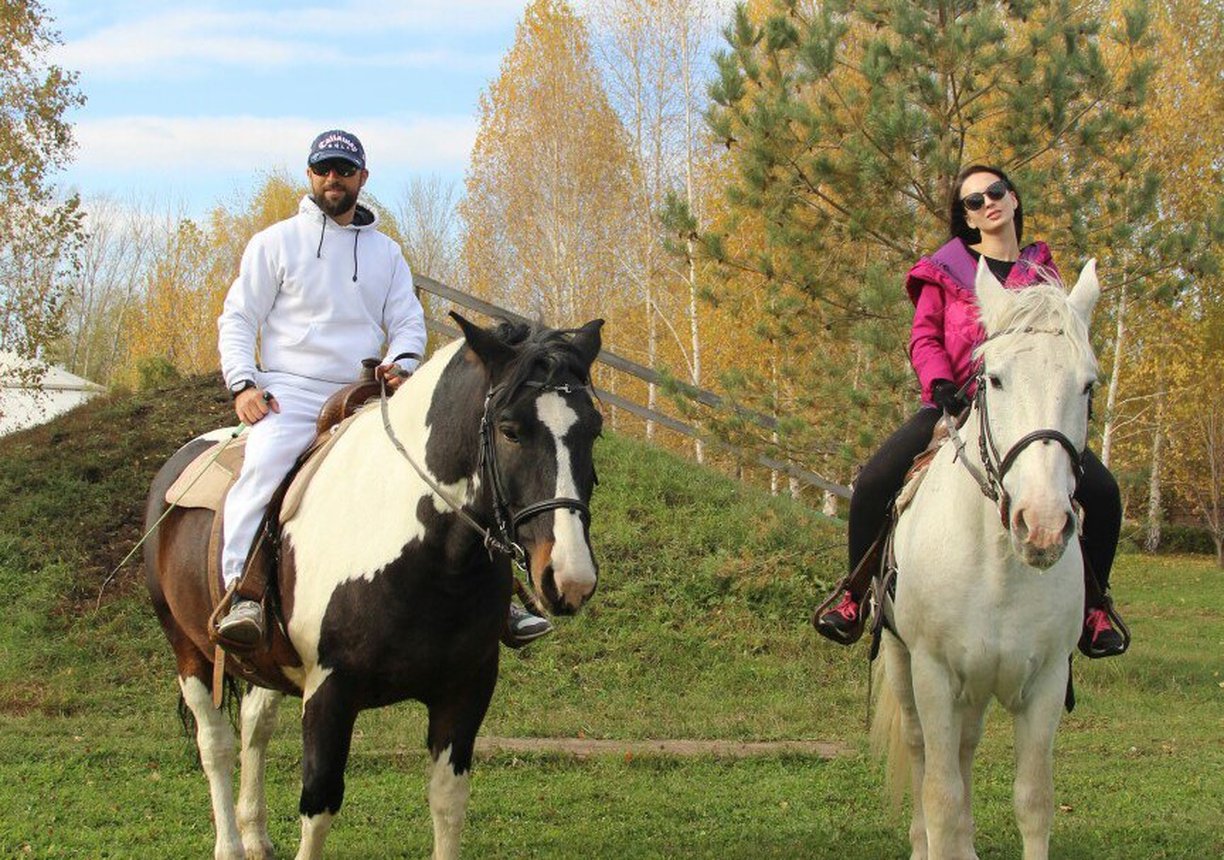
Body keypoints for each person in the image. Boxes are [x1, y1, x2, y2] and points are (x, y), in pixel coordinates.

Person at [215, 129, 552, 649]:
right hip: (291, 391)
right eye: (324, 168)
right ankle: (246, 594)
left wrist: (402, 362)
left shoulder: (386, 253)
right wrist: (243, 383)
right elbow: (238, 318)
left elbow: (407, 320)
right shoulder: (275, 243)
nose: (334, 178)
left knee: (451, 469)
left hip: (367, 393)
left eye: (345, 170)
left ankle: (500, 602)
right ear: (309, 175)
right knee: (264, 465)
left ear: (362, 179)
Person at [814, 164, 1126, 658]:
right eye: (974, 201)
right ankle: (854, 595)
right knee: (874, 480)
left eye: (996, 192)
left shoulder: (1043, 274)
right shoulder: (946, 269)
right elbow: (925, 335)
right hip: (953, 402)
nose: (988, 203)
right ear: (966, 217)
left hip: (1023, 413)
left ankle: (1094, 608)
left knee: (1104, 494)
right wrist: (939, 383)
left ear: (1014, 199)